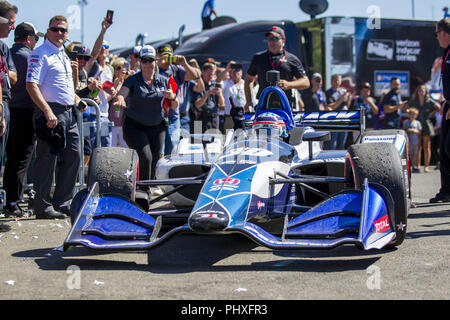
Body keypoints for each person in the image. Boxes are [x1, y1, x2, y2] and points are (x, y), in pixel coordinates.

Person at [26, 15, 88, 219]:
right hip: (51, 111)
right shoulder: (40, 53)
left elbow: (64, 87)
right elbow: (31, 85)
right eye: (56, 29)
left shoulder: (62, 54)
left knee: (74, 155)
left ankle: (63, 201)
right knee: (47, 159)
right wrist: (47, 111)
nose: (60, 33)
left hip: (68, 111)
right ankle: (42, 206)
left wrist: (77, 100)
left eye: (64, 30)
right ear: (48, 30)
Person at [112, 45, 178, 195]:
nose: (148, 64)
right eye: (144, 60)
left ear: (156, 61)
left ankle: (150, 185)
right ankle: (143, 189)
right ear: (140, 62)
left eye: (150, 60)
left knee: (155, 158)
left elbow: (175, 104)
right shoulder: (133, 80)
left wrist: (172, 97)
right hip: (135, 125)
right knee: (145, 156)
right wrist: (120, 99)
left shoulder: (164, 80)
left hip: (157, 125)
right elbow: (122, 92)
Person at [2, 22, 41, 217]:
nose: (36, 42)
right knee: (21, 161)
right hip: (25, 112)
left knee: (10, 160)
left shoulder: (7, 52)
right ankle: (13, 201)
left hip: (9, 111)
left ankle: (9, 200)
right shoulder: (30, 57)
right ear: (28, 38)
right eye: (36, 38)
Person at [244, 26, 309, 113]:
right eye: (270, 39)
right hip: (263, 105)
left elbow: (306, 82)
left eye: (275, 38)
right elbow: (248, 79)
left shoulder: (292, 59)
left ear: (283, 41)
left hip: (284, 106)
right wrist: (248, 101)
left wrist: (289, 84)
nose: (272, 42)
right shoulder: (259, 58)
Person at [156, 44, 202, 155]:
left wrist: (184, 63)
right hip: (156, 115)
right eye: (164, 57)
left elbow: (195, 76)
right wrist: (157, 63)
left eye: (169, 57)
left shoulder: (176, 70)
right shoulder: (153, 68)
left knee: (172, 147)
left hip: (172, 116)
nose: (167, 60)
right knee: (158, 149)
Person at [430, 18, 450, 203]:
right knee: (444, 150)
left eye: (437, 33)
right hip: (448, 105)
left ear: (443, 32)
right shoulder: (446, 53)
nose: (436, 37)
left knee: (448, 148)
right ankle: (446, 191)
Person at [0, 1, 18, 172]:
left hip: (5, 103)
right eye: (11, 22)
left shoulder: (3, 47)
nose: (13, 27)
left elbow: (13, 76)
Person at [408, 85, 441, 172]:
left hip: (426, 124)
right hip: (417, 124)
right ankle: (418, 165)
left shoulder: (429, 101)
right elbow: (407, 108)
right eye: (419, 91)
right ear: (417, 92)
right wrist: (412, 114)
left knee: (426, 147)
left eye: (423, 91)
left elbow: (438, 107)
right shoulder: (414, 101)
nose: (421, 92)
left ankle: (426, 166)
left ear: (425, 92)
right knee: (418, 146)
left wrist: (432, 113)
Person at [194, 62, 225, 132]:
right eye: (209, 74)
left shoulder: (215, 85)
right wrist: (207, 93)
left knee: (214, 141)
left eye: (212, 74)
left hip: (214, 117)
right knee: (198, 141)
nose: (210, 76)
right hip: (201, 117)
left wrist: (220, 95)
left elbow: (222, 105)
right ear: (203, 72)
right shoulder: (198, 86)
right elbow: (197, 105)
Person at [217, 61, 246, 133]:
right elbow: (217, 81)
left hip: (244, 116)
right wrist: (227, 69)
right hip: (230, 118)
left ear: (241, 72)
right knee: (229, 139)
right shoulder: (226, 83)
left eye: (237, 71)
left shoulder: (245, 84)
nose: (235, 73)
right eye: (232, 71)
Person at [324, 74, 351, 150]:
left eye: (339, 80)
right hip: (334, 122)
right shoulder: (328, 93)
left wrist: (349, 98)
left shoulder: (342, 91)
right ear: (332, 81)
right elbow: (331, 106)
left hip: (344, 121)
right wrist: (341, 99)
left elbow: (346, 106)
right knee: (332, 144)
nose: (337, 82)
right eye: (336, 80)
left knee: (342, 144)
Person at [108, 57, 128, 148]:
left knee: (125, 149)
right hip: (111, 123)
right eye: (118, 68)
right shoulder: (109, 82)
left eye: (124, 68)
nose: (121, 71)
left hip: (124, 123)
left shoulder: (128, 83)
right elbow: (107, 98)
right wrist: (116, 84)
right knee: (111, 149)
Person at [403, 107, 422, 173]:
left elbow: (420, 132)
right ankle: (409, 167)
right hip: (409, 141)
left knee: (415, 154)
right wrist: (409, 130)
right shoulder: (406, 122)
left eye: (414, 114)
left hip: (415, 141)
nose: (412, 116)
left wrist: (414, 131)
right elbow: (404, 131)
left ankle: (414, 166)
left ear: (416, 115)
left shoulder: (417, 123)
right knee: (409, 154)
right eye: (411, 114)